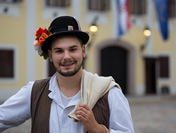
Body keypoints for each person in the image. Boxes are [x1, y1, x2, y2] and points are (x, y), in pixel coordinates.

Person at [0, 16, 134, 133]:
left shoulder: (109, 93)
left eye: (72, 49)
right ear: (51, 55)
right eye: (59, 51)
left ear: (83, 51)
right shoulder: (34, 92)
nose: (66, 57)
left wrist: (98, 129)